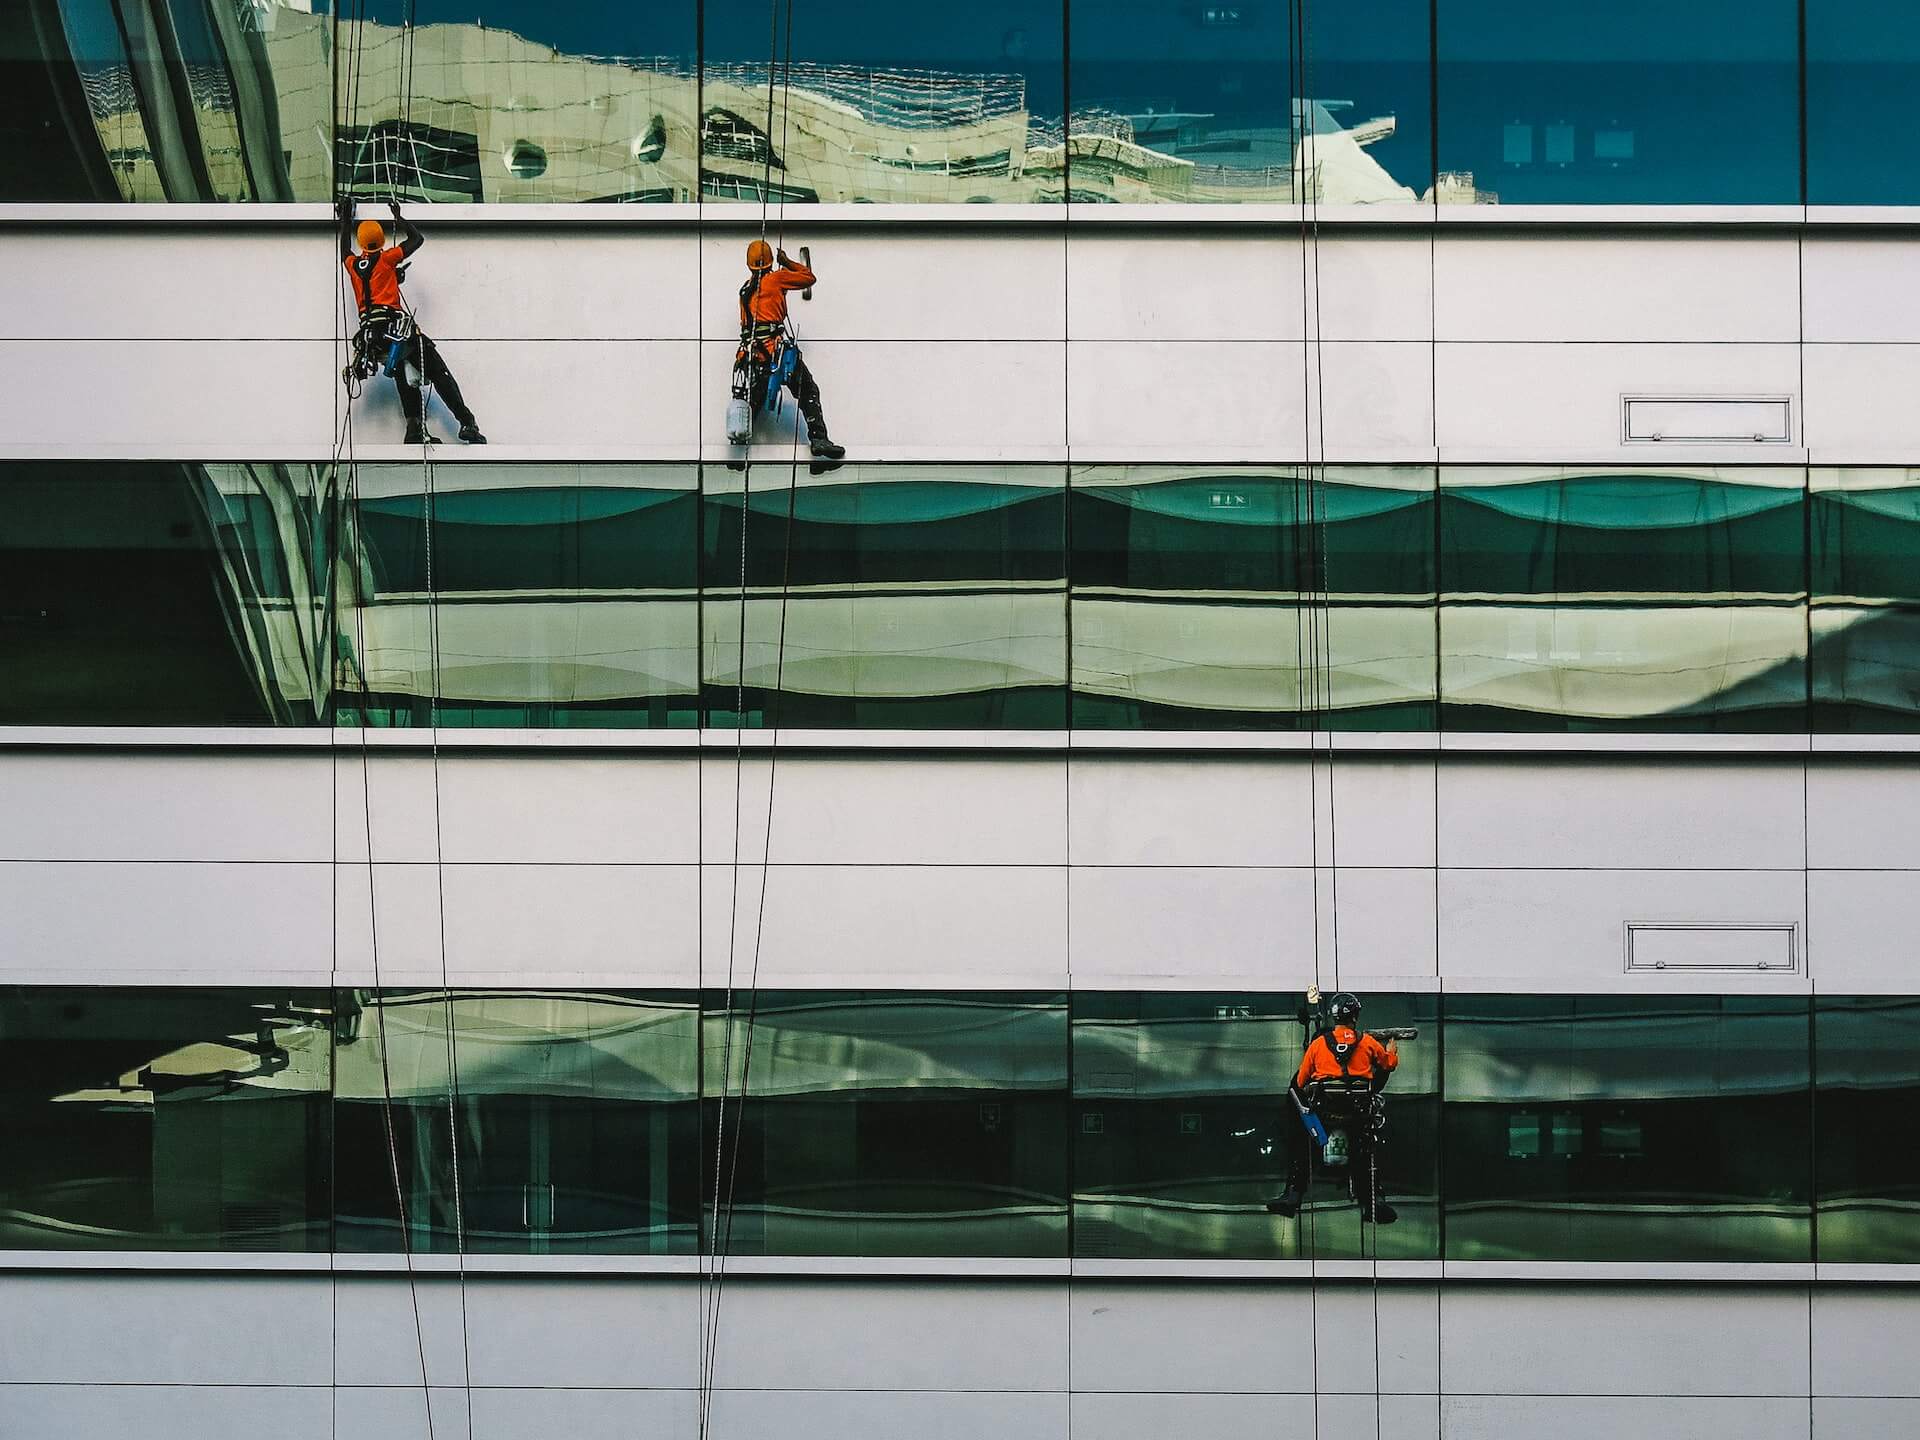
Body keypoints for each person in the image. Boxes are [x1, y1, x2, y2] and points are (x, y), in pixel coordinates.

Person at [338, 198, 486, 446]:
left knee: (403, 376)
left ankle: (414, 430)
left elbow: (344, 250)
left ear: (362, 243)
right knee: (438, 372)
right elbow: (417, 240)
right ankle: (467, 422)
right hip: (395, 330)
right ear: (381, 241)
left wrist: (345, 219)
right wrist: (399, 218)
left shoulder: (354, 265)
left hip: (372, 338)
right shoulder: (386, 259)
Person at [1267, 991, 1399, 1223]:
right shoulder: (1367, 1043)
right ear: (1355, 1017)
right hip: (1357, 1117)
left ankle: (1293, 1195)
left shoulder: (1318, 1045)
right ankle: (1373, 1201)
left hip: (1323, 1118)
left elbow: (1299, 1082)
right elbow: (1388, 1064)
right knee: (1366, 1151)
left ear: (1334, 1017)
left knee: (1302, 1145)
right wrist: (1391, 1051)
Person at [732, 239, 843, 462]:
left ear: (749, 265)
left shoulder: (745, 289)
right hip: (774, 353)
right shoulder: (776, 280)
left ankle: (739, 445)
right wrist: (787, 261)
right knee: (808, 390)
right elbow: (809, 277)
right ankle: (819, 439)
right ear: (771, 262)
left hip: (752, 355)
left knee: (754, 399)